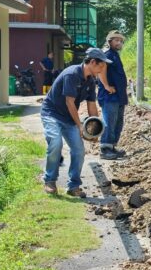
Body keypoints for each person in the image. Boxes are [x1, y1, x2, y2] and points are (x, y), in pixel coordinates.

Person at [41, 48, 112, 197]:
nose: (102, 69)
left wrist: (95, 129)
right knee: (56, 143)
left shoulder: (91, 81)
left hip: (68, 118)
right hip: (52, 113)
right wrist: (79, 125)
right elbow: (69, 102)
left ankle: (73, 186)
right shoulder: (72, 74)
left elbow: (92, 105)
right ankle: (50, 181)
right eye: (101, 66)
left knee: (79, 150)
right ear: (92, 62)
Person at [98, 30, 128, 160]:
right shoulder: (107, 54)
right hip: (110, 96)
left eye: (121, 41)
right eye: (116, 40)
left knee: (118, 121)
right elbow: (101, 70)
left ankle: (112, 146)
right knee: (109, 121)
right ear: (110, 41)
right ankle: (105, 149)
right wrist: (106, 86)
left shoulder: (115, 55)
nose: (119, 42)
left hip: (119, 96)